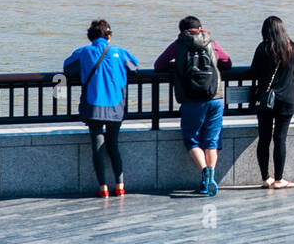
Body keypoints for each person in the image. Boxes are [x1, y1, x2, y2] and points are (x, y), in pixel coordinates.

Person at [154, 17, 232, 195]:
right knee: (211, 140)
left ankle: (205, 175)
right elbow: (227, 62)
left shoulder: (178, 44)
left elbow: (158, 65)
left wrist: (175, 65)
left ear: (181, 31)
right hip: (215, 97)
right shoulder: (211, 42)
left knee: (192, 139)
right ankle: (210, 177)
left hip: (191, 100)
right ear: (200, 29)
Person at [64, 19, 140, 197]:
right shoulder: (119, 52)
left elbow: (67, 68)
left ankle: (103, 188)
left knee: (97, 146)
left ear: (90, 37)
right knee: (113, 145)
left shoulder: (83, 52)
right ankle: (120, 186)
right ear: (109, 36)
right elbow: (135, 67)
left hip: (93, 105)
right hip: (116, 105)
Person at [249, 16, 294, 189]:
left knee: (264, 139)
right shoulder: (293, 48)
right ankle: (280, 180)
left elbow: (253, 72)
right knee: (280, 139)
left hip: (266, 101)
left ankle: (266, 178)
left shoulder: (262, 48)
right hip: (287, 100)